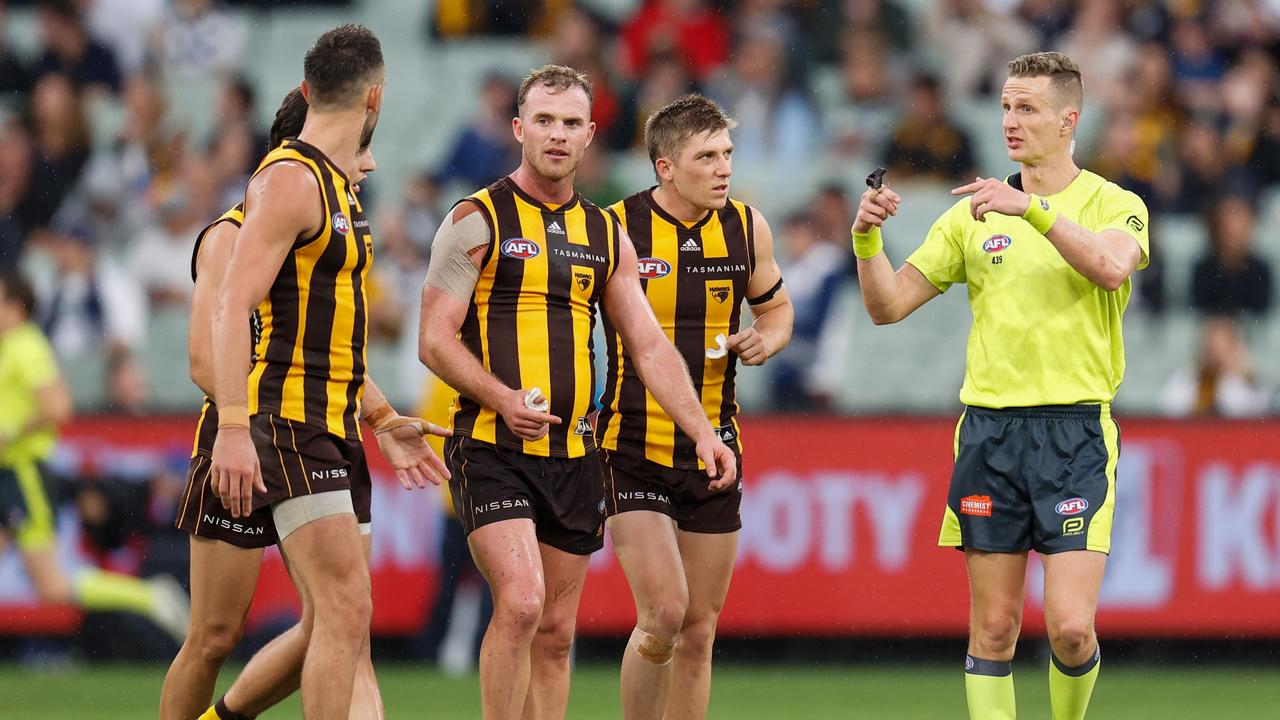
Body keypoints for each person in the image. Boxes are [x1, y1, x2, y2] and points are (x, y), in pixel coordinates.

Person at [418, 65, 737, 720]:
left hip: (574, 458)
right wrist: (501, 397)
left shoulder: (602, 232)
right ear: (518, 128)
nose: (557, 135)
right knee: (523, 604)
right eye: (543, 120)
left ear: (590, 135)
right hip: (490, 447)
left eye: (570, 123)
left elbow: (648, 346)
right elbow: (434, 339)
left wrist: (703, 430)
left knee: (558, 634)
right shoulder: (476, 219)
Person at [852, 52, 1149, 720]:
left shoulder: (1114, 202)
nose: (1011, 121)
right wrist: (867, 241)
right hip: (990, 432)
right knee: (993, 629)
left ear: (1070, 120)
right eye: (1006, 107)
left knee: (1071, 628)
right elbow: (887, 307)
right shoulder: (971, 215)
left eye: (1029, 108)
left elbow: (1108, 268)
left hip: (1074, 431)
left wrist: (1033, 211)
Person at [207, 25, 450, 720]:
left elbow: (332, 337)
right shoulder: (290, 179)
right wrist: (230, 426)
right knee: (342, 610)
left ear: (309, 89)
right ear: (377, 96)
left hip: (334, 422)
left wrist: (380, 417)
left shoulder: (337, 187)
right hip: (288, 422)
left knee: (341, 619)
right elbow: (232, 306)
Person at [598, 94, 792, 720]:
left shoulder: (746, 226)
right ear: (665, 166)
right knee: (663, 615)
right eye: (705, 156)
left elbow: (777, 308)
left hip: (716, 449)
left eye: (727, 154)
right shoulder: (615, 227)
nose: (722, 168)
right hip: (630, 447)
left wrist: (768, 336)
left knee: (701, 631)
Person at [0, 269, 189, 643]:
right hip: (9, 474)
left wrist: (10, 433)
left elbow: (57, 404)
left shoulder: (26, 345)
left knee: (53, 586)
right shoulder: (10, 346)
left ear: (16, 306)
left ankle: (148, 596)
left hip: (21, 475)